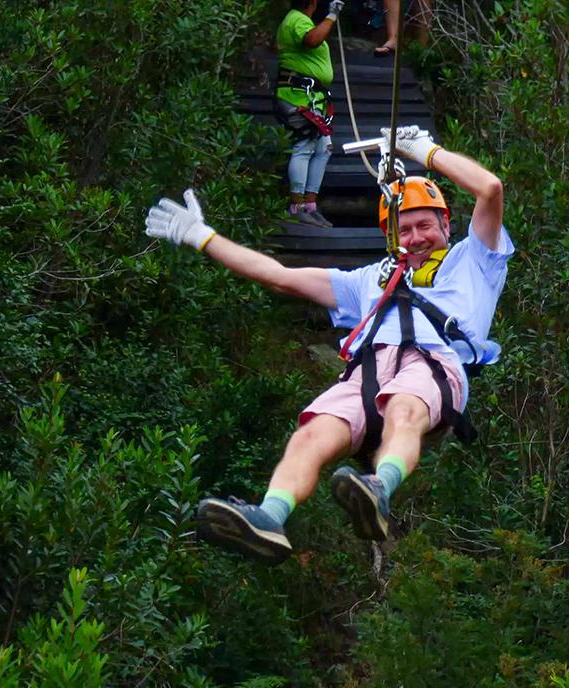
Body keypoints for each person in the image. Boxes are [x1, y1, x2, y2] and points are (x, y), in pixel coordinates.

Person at [144, 126, 514, 565]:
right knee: (312, 435)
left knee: (404, 407)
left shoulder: (475, 260)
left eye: (425, 225)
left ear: (445, 224)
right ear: (391, 237)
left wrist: (427, 153)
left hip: (435, 366)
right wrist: (204, 238)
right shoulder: (367, 281)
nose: (415, 237)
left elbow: (490, 189)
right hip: (368, 371)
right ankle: (269, 516)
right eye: (404, 229)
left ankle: (379, 486)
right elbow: (278, 276)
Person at [274, 0, 344, 228]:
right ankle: (297, 206)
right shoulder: (296, 19)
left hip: (311, 98)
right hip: (297, 97)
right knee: (305, 146)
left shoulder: (300, 20)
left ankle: (310, 206)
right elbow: (313, 40)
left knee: (324, 149)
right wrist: (332, 15)